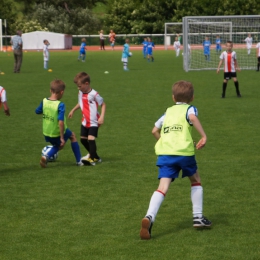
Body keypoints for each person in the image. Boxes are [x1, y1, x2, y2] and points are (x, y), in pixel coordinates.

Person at [140, 80, 212, 240]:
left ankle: (149, 217)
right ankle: (198, 217)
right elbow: (192, 118)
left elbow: (154, 130)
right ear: (192, 97)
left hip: (165, 153)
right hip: (184, 153)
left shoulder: (168, 112)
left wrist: (163, 141)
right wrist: (203, 136)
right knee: (196, 180)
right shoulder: (190, 108)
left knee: (162, 187)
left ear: (173, 98)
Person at [35, 79, 84, 168]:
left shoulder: (44, 101)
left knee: (62, 142)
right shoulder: (60, 105)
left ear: (50, 90)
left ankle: (46, 156)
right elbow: (60, 122)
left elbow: (37, 111)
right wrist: (61, 137)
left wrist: (47, 111)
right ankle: (79, 161)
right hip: (56, 132)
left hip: (46, 132)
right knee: (70, 138)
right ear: (62, 92)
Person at [68, 72, 106, 166]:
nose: (78, 88)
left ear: (86, 84)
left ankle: (91, 159)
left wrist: (102, 116)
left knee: (91, 139)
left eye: (80, 86)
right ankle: (95, 156)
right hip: (85, 120)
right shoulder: (80, 92)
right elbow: (80, 103)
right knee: (83, 140)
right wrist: (73, 110)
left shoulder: (94, 94)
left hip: (94, 121)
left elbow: (103, 104)